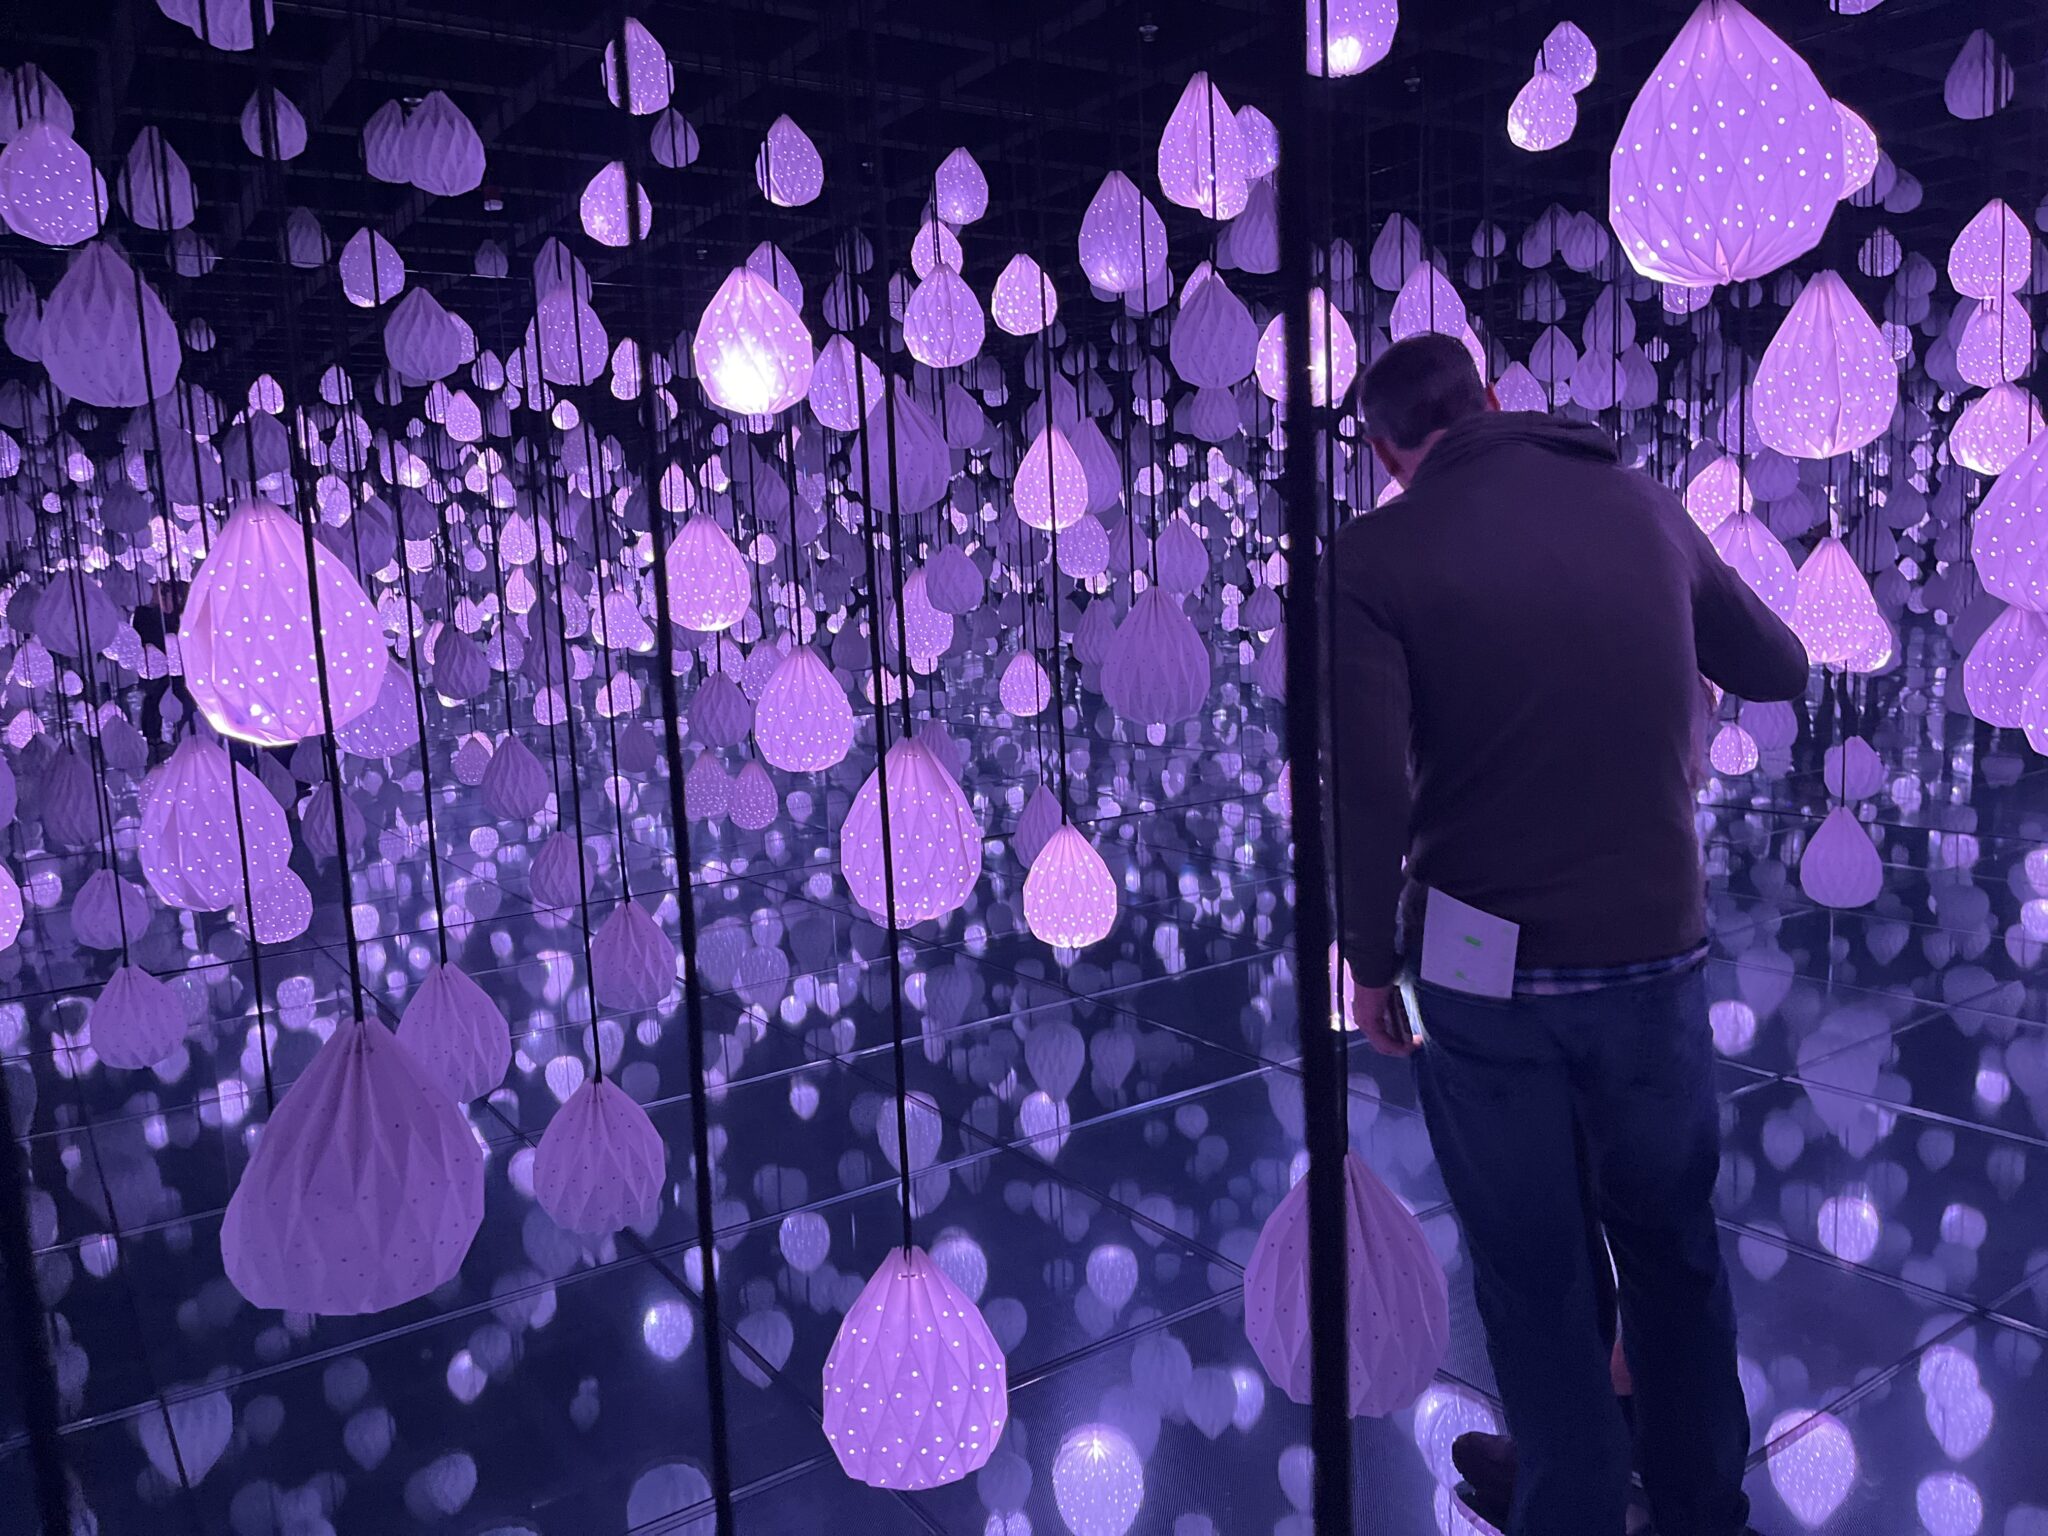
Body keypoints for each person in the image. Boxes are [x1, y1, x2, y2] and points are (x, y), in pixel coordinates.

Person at [1327, 333, 1808, 1536]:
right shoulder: (1641, 507)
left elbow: (1369, 791)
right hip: (1651, 941)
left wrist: (1370, 964)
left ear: (1385, 453)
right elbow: (1778, 665)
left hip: (1473, 954)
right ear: (1493, 398)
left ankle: (1572, 1500)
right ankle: (1698, 1502)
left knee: (1530, 1265)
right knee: (1669, 1243)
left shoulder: (1376, 556)